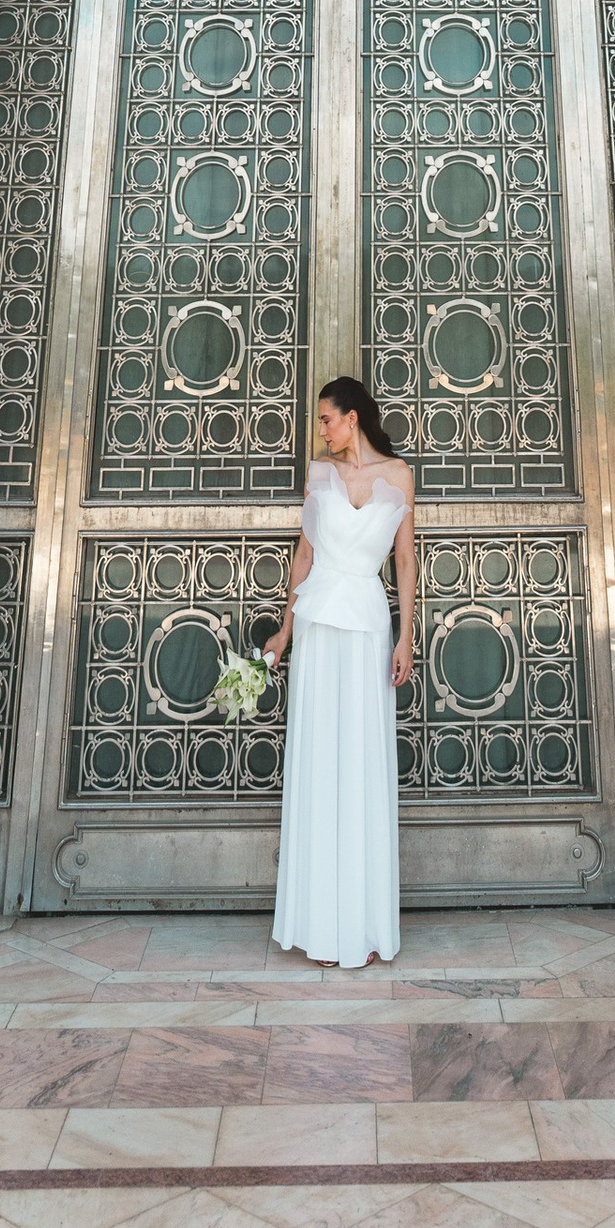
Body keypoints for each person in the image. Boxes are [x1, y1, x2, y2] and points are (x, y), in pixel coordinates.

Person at [263, 375, 414, 967]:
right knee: (320, 761)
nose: (320, 429)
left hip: (370, 629)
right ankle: (321, 927)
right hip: (321, 628)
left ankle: (365, 924)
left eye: (326, 418)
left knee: (362, 763)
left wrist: (407, 635)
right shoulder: (319, 475)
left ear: (353, 419)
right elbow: (304, 554)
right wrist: (284, 629)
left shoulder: (399, 477)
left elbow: (404, 558)